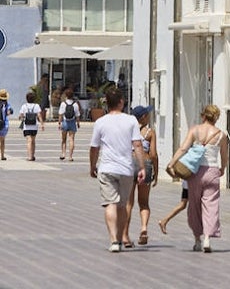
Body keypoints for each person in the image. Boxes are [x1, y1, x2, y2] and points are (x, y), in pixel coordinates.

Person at [89, 86, 146, 253]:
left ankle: (114, 240)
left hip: (106, 167)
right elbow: (137, 144)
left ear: (107, 103)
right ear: (121, 102)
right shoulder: (131, 121)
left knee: (110, 204)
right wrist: (141, 167)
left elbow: (94, 147)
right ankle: (120, 238)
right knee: (122, 205)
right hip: (126, 169)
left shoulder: (100, 122)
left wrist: (92, 165)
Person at [169, 103, 228, 253]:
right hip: (212, 171)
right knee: (211, 206)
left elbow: (183, 148)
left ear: (203, 116)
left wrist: (172, 162)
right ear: (216, 118)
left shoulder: (195, 130)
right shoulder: (221, 135)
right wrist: (223, 169)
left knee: (194, 206)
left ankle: (197, 239)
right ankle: (207, 238)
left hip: (194, 173)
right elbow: (224, 156)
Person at [131, 105, 158, 245]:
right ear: (143, 117)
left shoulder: (129, 131)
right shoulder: (150, 133)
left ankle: (124, 233)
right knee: (144, 202)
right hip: (146, 165)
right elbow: (153, 154)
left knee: (128, 202)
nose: (149, 116)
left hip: (130, 164)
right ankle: (143, 228)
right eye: (147, 114)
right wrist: (156, 172)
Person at [18, 90, 43, 161]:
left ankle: (29, 156)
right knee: (33, 140)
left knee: (29, 141)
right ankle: (33, 155)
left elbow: (21, 116)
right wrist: (42, 124)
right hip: (34, 126)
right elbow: (39, 115)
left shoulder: (24, 106)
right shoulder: (37, 106)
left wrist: (21, 118)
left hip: (26, 126)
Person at [58, 86, 81, 161]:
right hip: (72, 122)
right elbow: (77, 115)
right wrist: (78, 123)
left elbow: (60, 114)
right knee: (71, 139)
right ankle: (70, 156)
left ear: (66, 95)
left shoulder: (63, 104)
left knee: (63, 139)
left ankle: (63, 154)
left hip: (65, 122)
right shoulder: (75, 104)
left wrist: (59, 123)